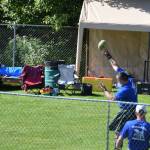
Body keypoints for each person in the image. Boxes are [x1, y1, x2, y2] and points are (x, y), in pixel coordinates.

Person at [99, 47, 138, 148]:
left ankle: (117, 148)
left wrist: (104, 89)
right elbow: (115, 66)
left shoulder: (125, 90)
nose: (117, 81)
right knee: (121, 131)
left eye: (118, 80)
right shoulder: (127, 77)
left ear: (123, 80)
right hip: (131, 109)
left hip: (127, 111)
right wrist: (108, 55)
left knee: (118, 132)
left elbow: (112, 98)